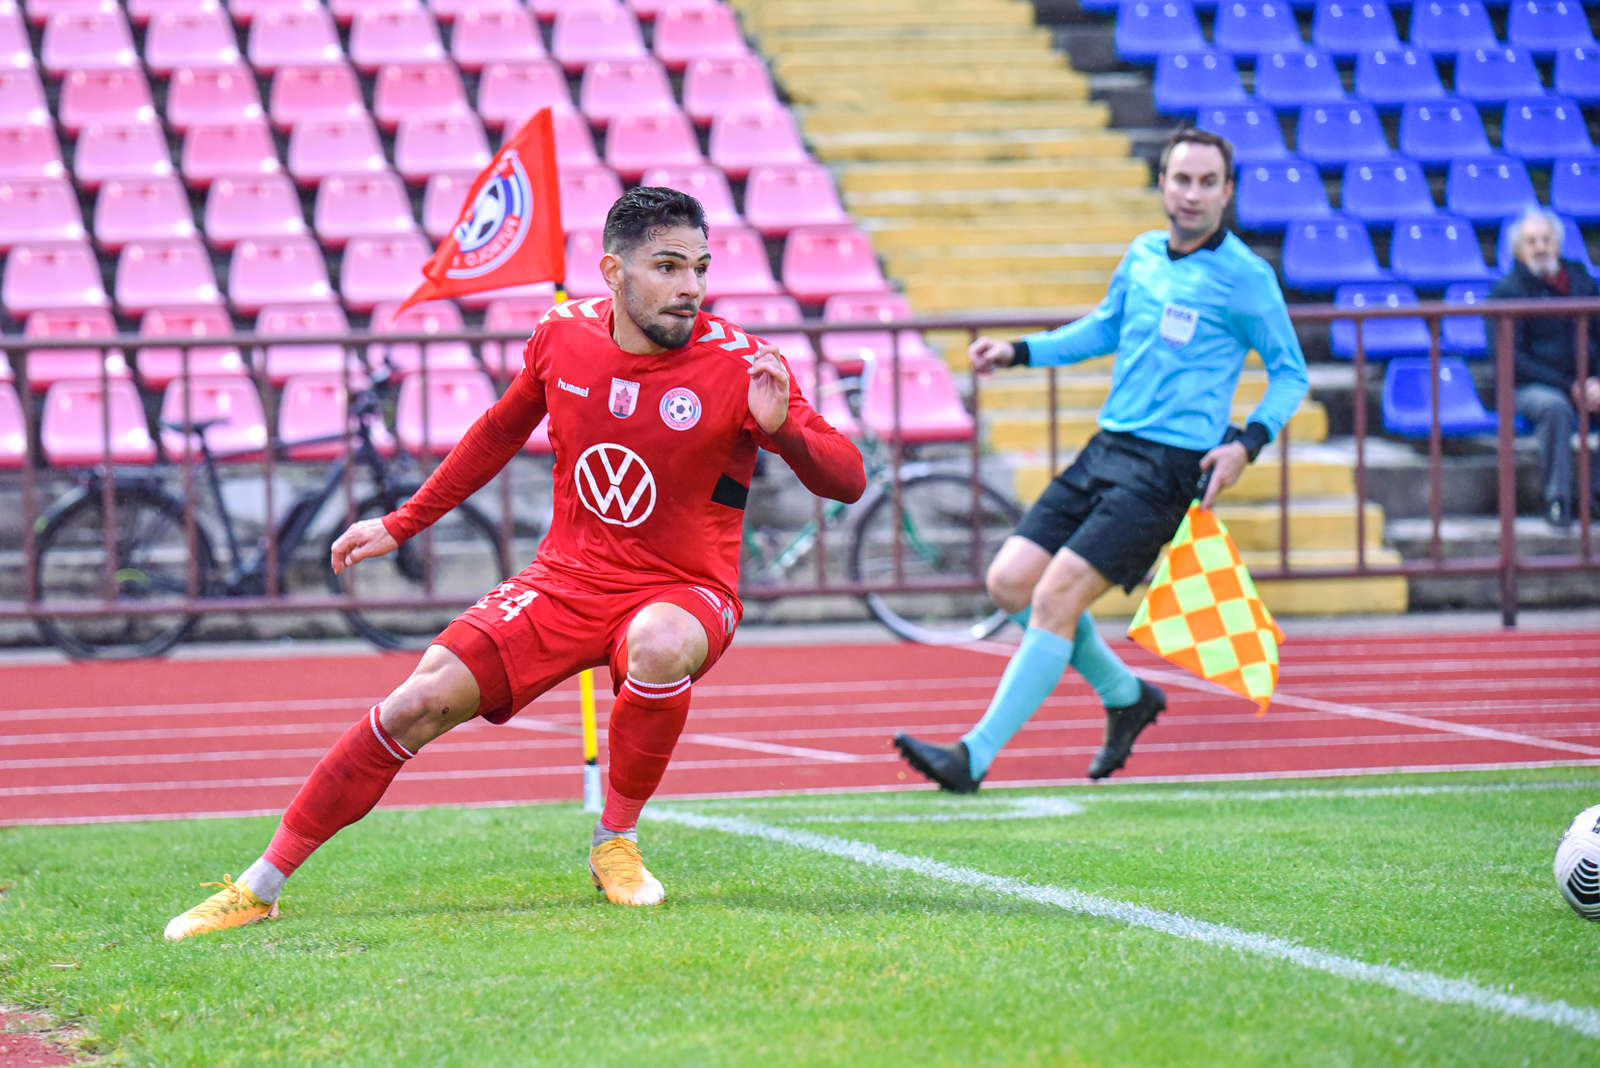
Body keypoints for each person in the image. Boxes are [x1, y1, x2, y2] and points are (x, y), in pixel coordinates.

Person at [163, 188, 866, 938]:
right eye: (667, 266)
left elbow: (849, 480)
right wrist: (402, 523)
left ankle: (615, 841)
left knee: (659, 643)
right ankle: (260, 885)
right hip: (564, 579)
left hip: (685, 588)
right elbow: (497, 433)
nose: (689, 286)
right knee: (415, 703)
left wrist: (784, 429)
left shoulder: (741, 362)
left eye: (699, 267)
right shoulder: (561, 336)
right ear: (614, 272)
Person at [894, 128, 1308, 792]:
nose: (1192, 193)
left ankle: (972, 758)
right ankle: (1125, 694)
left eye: (1207, 182)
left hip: (1168, 469)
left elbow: (1291, 373)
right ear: (1163, 184)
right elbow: (1104, 328)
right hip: (1106, 447)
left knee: (1054, 596)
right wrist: (1019, 352)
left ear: (1227, 192)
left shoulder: (1246, 279)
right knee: (1009, 582)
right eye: (1182, 179)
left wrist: (1246, 443)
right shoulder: (1142, 254)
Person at [1490, 207, 1600, 529]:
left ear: (1558, 244)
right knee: (1555, 407)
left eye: (1546, 239)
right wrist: (1570, 386)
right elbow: (1513, 361)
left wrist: (1596, 381)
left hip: (1583, 382)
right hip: (1526, 388)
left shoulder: (1582, 282)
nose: (1540, 247)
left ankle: (1595, 496)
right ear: (1518, 251)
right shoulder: (1506, 293)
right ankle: (1558, 500)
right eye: (1531, 241)